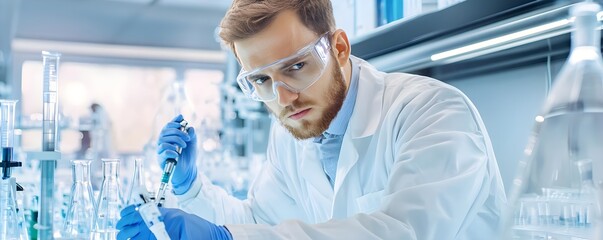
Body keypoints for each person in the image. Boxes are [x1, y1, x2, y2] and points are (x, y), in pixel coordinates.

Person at [116, 0, 507, 239]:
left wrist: (224, 239)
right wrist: (191, 188)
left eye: (297, 66)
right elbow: (259, 221)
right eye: (261, 80)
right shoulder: (294, 131)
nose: (282, 97)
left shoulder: (432, 112)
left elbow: (403, 232)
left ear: (338, 47)